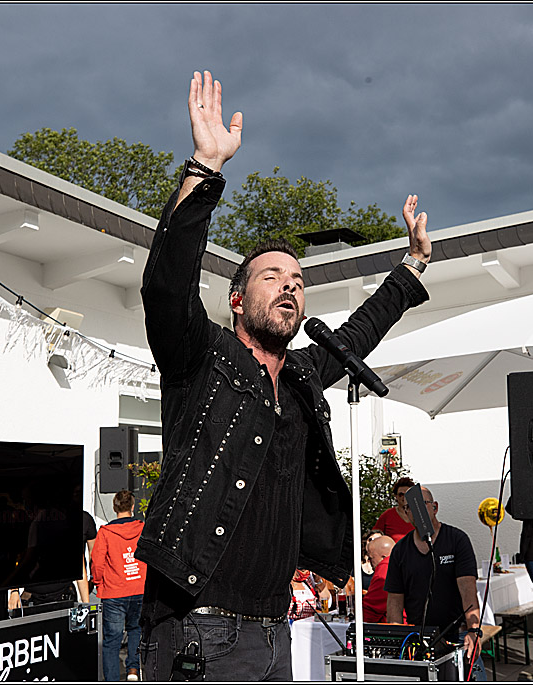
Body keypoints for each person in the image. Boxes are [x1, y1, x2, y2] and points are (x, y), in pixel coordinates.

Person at [137, 70, 431, 682]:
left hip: (276, 628)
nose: (291, 284)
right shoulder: (201, 357)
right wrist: (204, 168)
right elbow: (166, 284)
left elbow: (356, 334)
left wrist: (410, 266)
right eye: (273, 276)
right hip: (198, 620)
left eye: (298, 279)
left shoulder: (300, 374)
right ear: (239, 300)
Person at [384, 486, 485, 680]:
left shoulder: (457, 540)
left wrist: (473, 630)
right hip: (419, 639)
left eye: (422, 505)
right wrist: (398, 638)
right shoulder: (400, 550)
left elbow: (468, 591)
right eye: (410, 507)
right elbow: (395, 600)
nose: (416, 511)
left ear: (435, 507)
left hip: (458, 637)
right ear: (405, 513)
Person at [92, 490, 147, 682]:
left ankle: (113, 679)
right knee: (135, 630)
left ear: (114, 508)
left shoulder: (106, 532)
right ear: (132, 507)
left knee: (112, 642)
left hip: (114, 591)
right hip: (139, 587)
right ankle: (133, 669)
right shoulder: (142, 529)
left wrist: (98, 582)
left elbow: (97, 563)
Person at [373, 476, 417, 542]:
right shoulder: (387, 516)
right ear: (396, 496)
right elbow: (374, 537)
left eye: (407, 494)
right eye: (401, 494)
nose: (404, 497)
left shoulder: (420, 515)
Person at [362, 534, 394, 622]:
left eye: (371, 557)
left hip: (396, 628)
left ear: (383, 557)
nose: (368, 561)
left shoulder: (385, 568)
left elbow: (370, 610)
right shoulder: (405, 561)